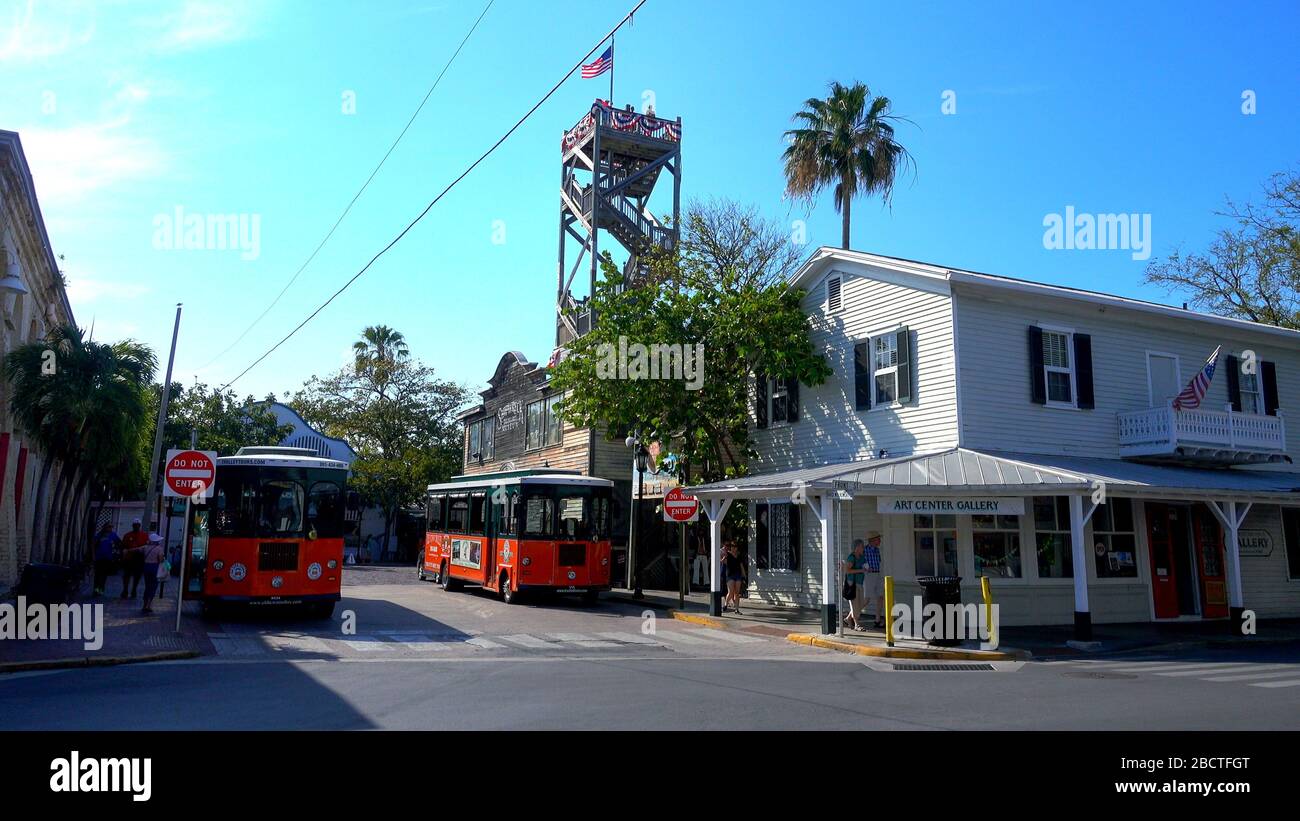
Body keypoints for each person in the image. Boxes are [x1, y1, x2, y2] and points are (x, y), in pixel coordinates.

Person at [842, 539, 868, 631]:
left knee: (862, 602)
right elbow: (847, 570)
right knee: (855, 604)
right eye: (862, 546)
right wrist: (861, 570)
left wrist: (867, 569)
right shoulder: (851, 557)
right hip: (852, 583)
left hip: (860, 583)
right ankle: (857, 624)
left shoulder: (862, 557)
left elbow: (864, 566)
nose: (863, 548)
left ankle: (848, 619)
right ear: (857, 547)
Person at [120, 518, 148, 599]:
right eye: (135, 525)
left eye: (138, 525)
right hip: (129, 559)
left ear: (140, 526)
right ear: (132, 526)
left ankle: (134, 590)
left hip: (139, 559)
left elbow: (146, 547)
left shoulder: (144, 535)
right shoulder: (127, 535)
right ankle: (125, 590)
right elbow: (123, 546)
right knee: (126, 575)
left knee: (137, 576)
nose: (136, 527)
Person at [91, 523, 121, 596]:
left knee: (103, 575)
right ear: (104, 527)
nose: (110, 528)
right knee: (97, 575)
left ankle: (100, 590)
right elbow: (93, 545)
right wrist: (93, 556)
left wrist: (116, 552)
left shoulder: (113, 535)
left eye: (111, 527)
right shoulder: (99, 535)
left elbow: (119, 543)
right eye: (109, 527)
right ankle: (96, 590)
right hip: (99, 558)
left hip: (107, 558)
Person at [863, 531, 885, 628]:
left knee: (880, 597)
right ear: (872, 540)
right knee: (866, 599)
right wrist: (866, 568)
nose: (880, 540)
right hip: (869, 575)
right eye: (878, 539)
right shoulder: (864, 550)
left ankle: (877, 620)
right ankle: (851, 616)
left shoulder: (877, 550)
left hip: (877, 574)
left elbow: (878, 561)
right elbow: (860, 562)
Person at [140, 533, 166, 614]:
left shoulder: (145, 548)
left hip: (146, 567)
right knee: (153, 586)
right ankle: (148, 605)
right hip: (155, 567)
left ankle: (144, 604)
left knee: (147, 586)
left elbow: (138, 550)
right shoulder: (159, 549)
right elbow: (161, 560)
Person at [721, 541, 746, 615]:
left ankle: (736, 609)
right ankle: (725, 604)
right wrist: (724, 557)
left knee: (737, 593)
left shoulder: (739, 555)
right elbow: (722, 561)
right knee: (731, 591)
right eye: (732, 546)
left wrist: (744, 574)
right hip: (730, 575)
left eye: (735, 546)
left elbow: (741, 565)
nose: (734, 548)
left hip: (738, 574)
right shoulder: (727, 554)